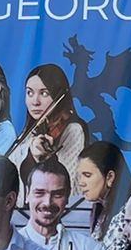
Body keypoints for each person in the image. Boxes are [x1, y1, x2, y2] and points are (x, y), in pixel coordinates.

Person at [20, 159, 97, 250]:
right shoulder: (6, 247)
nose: (47, 203)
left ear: (67, 197)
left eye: (57, 195)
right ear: (27, 195)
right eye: (39, 193)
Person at [8, 62, 86, 191]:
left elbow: (67, 187)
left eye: (44, 93)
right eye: (29, 93)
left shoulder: (73, 130)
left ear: (58, 95)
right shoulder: (27, 135)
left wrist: (44, 159)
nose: (35, 101)